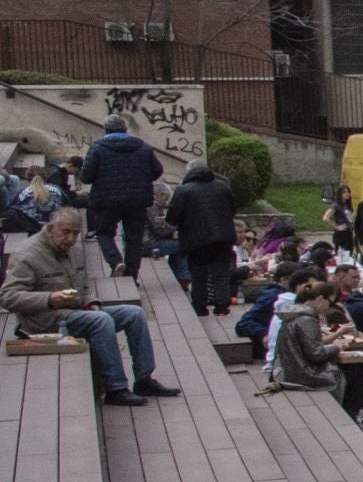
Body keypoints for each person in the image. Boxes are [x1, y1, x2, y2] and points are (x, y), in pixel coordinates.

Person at [2, 207, 176, 408]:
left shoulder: (74, 251)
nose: (71, 239)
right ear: (50, 228)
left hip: (75, 312)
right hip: (44, 322)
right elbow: (8, 297)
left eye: (76, 233)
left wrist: (92, 302)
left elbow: (83, 286)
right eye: (65, 232)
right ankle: (116, 388)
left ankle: (144, 378)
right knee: (101, 320)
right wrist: (49, 298)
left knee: (134, 313)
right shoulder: (26, 255)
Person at [78, 115, 162, 279]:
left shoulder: (97, 147)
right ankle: (131, 276)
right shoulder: (143, 147)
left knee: (103, 233)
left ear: (106, 130)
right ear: (125, 129)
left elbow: (86, 176)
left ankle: (116, 262)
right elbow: (157, 170)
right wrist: (141, 180)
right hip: (137, 201)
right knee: (134, 239)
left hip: (106, 200)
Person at [163, 159, 239, 318]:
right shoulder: (222, 187)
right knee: (221, 273)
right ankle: (222, 307)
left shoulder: (183, 190)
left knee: (198, 274)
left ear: (189, 172)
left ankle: (200, 307)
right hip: (223, 237)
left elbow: (172, 218)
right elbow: (232, 209)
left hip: (196, 240)